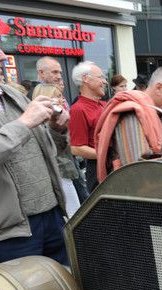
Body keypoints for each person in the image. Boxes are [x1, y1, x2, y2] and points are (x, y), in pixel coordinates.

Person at [0, 28, 70, 266]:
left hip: (52, 217)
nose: (3, 56)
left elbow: (50, 150)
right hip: (7, 236)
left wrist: (57, 128)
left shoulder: (12, 95)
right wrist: (24, 122)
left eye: (0, 47)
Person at [32, 84, 81, 218]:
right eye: (58, 96)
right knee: (73, 213)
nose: (63, 99)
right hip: (59, 173)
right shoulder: (43, 123)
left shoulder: (60, 119)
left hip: (65, 171)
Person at [69, 61, 107, 192]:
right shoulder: (78, 109)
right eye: (100, 77)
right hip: (98, 170)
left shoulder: (104, 105)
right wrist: (106, 155)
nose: (104, 82)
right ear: (85, 79)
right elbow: (76, 148)